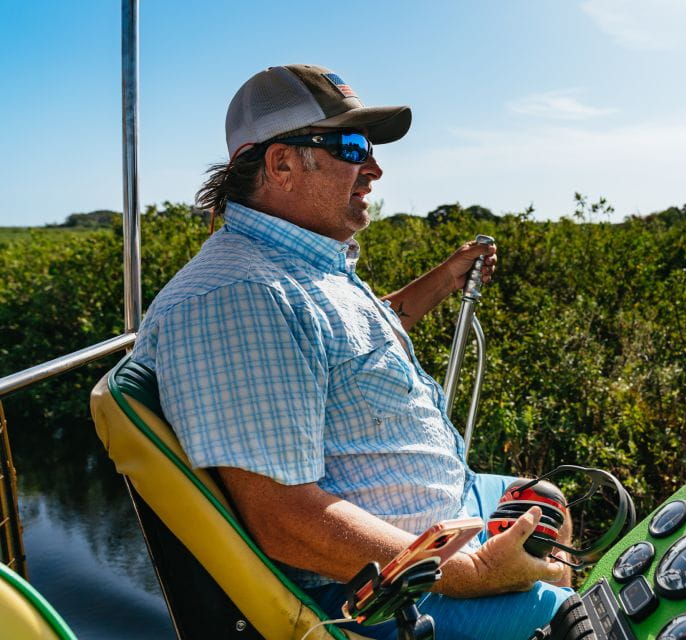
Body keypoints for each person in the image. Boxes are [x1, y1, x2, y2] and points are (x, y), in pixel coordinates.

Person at [131, 64, 573, 640]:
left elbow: (351, 341)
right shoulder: (241, 298)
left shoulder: (295, 266)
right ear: (280, 163)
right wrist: (473, 571)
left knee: (546, 499)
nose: (374, 167)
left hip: (443, 519)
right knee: (580, 621)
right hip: (385, 587)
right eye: (349, 146)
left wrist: (445, 277)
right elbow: (286, 522)